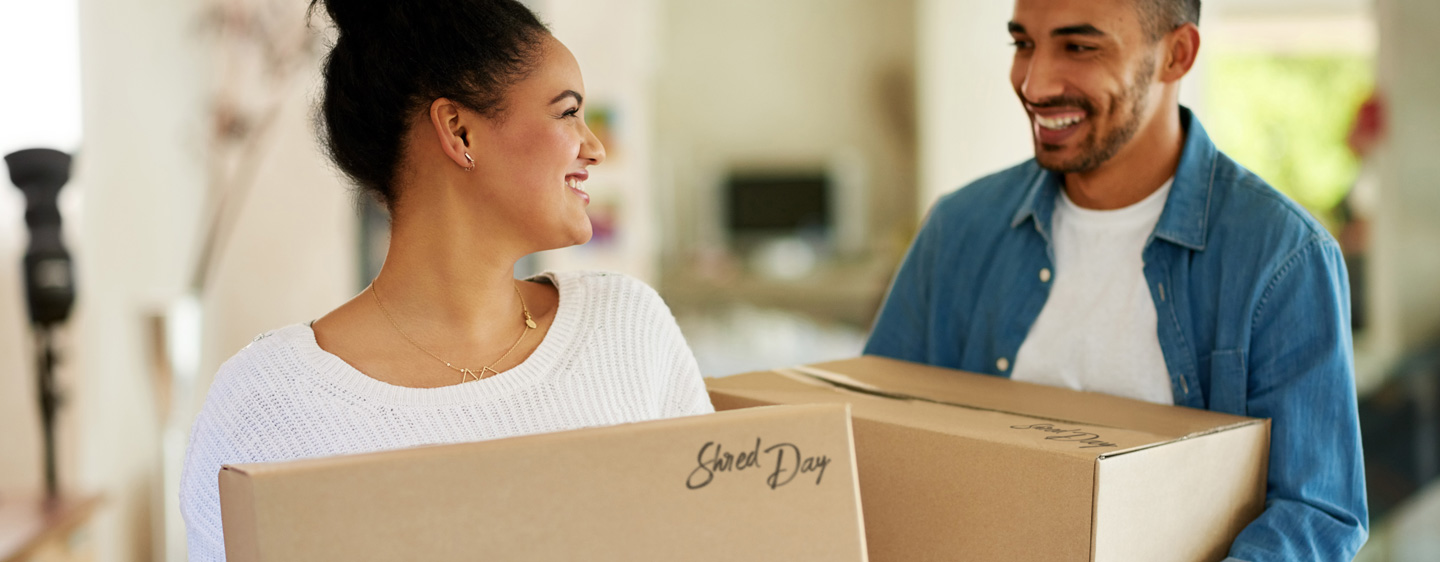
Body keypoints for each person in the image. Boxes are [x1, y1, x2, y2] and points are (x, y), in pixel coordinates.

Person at [180, 1, 713, 559]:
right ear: (459, 131)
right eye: (567, 112)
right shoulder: (268, 403)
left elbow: (716, 538)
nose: (594, 146)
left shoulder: (628, 331)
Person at [864, 0, 1367, 559]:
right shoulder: (959, 229)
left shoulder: (1281, 256)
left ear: (1177, 55)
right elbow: (869, 443)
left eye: (1079, 47)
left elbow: (1316, 512)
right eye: (1023, 43)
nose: (1034, 82)